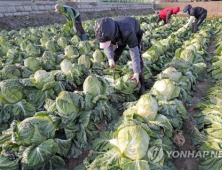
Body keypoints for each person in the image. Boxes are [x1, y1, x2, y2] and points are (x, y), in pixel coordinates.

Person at [94, 17, 145, 95]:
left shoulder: (128, 32)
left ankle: (142, 82)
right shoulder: (107, 32)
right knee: (114, 55)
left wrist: (136, 73)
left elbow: (134, 53)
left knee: (138, 58)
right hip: (119, 35)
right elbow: (109, 45)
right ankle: (111, 75)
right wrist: (111, 59)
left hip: (134, 33)